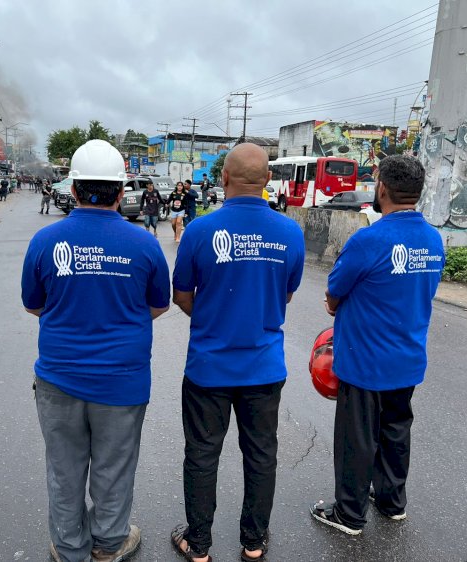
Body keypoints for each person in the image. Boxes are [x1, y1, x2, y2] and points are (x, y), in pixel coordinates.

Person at [21, 140, 170, 562]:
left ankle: (69, 548)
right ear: (121, 192)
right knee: (114, 467)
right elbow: (158, 305)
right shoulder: (144, 243)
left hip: (58, 378)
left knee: (64, 470)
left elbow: (34, 304)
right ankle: (108, 544)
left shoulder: (46, 240)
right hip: (123, 381)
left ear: (72, 190)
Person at [171, 143, 305, 562]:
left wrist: (212, 314)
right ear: (268, 181)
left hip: (209, 367)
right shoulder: (290, 232)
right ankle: (253, 541)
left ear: (223, 179)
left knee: (202, 454)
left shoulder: (198, 231)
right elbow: (285, 293)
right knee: (262, 454)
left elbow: (181, 295)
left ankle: (199, 545)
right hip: (263, 367)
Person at [310, 155, 445, 536]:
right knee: (396, 430)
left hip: (366, 359)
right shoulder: (433, 239)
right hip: (408, 358)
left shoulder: (370, 239)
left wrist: (334, 306)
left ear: (381, 188)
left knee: (358, 436)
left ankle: (349, 515)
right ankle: (391, 502)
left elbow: (335, 292)